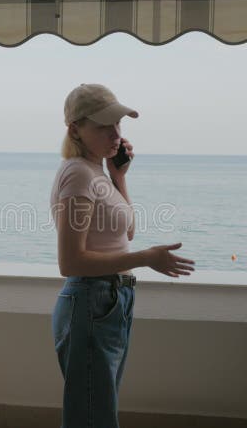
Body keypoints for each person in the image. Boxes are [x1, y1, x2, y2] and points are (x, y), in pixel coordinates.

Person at [50, 84, 196, 428]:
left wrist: (119, 176)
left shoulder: (98, 172)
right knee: (92, 417)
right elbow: (70, 263)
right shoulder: (77, 174)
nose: (115, 134)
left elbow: (125, 233)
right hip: (91, 301)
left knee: (97, 413)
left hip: (110, 301)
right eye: (103, 125)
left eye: (118, 125)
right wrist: (146, 258)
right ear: (75, 129)